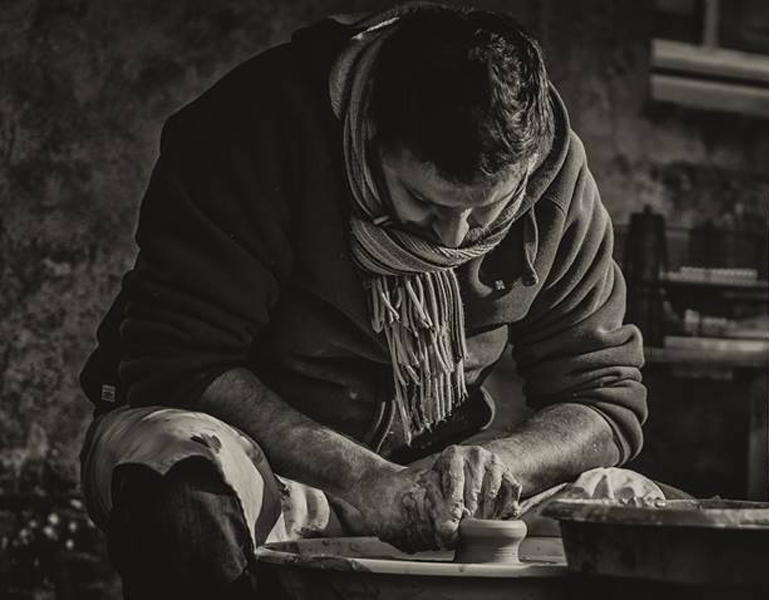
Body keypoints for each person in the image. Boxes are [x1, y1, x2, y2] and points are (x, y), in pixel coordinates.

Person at [78, 3, 654, 597]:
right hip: (267, 467)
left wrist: (498, 465)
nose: (456, 238)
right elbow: (178, 364)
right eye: (423, 200)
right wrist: (366, 481)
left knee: (640, 515)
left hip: (427, 482)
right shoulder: (253, 127)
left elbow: (602, 397)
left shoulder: (554, 176)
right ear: (370, 139)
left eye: (485, 209)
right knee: (185, 487)